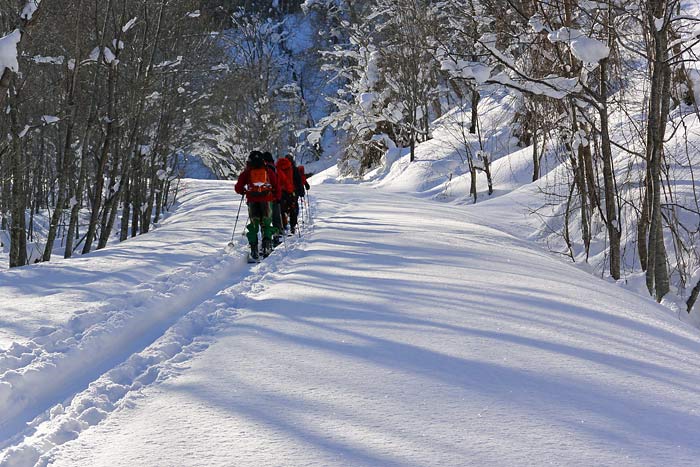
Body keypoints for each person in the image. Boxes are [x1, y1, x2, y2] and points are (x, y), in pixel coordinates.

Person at [235, 151, 280, 260]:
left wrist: (244, 192)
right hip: (267, 200)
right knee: (266, 223)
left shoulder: (247, 172)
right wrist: (276, 197)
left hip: (252, 201)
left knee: (254, 225)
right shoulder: (268, 171)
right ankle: (266, 247)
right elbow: (276, 185)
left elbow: (238, 187)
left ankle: (254, 250)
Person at [263, 152, 285, 246]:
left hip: (260, 198)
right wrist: (278, 197)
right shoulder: (273, 168)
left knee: (265, 219)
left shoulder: (261, 168)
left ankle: (266, 239)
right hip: (272, 197)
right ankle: (276, 236)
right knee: (276, 217)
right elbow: (277, 184)